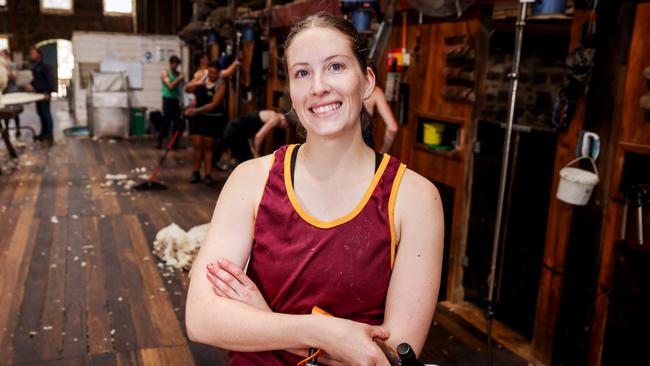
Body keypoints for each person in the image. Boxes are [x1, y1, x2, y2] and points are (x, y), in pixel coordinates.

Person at [185, 13, 444, 366]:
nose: (318, 86)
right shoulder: (251, 180)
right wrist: (325, 334)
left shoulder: (415, 198)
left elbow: (390, 358)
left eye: (335, 67)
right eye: (302, 73)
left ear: (367, 81)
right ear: (292, 90)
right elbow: (201, 317)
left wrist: (268, 322)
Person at [184, 61, 227, 185]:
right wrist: (198, 82)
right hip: (199, 119)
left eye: (215, 73)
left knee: (208, 147)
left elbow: (213, 104)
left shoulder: (221, 84)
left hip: (212, 119)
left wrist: (195, 111)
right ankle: (195, 172)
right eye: (210, 72)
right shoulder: (202, 79)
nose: (212, 75)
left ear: (218, 73)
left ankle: (208, 174)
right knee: (197, 146)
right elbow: (187, 89)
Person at [214, 110, 289, 165]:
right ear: (283, 118)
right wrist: (256, 154)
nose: (284, 127)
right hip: (235, 132)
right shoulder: (276, 118)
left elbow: (249, 133)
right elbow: (259, 136)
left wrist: (252, 149)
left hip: (232, 129)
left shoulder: (271, 115)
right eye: (286, 125)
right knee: (245, 162)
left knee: (243, 160)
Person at [25, 47, 55, 144]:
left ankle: (49, 135)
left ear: (39, 54)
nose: (31, 55)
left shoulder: (45, 66)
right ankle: (43, 134)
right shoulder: (36, 66)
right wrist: (30, 84)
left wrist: (48, 92)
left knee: (46, 114)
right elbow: (37, 80)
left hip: (44, 94)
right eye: (31, 53)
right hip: (38, 94)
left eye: (33, 53)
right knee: (41, 114)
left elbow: (50, 82)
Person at [363, 85, 399, 154]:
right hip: (367, 155)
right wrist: (383, 153)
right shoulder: (374, 91)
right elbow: (393, 128)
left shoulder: (341, 89)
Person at [159, 55, 185, 149]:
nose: (175, 66)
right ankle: (160, 140)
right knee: (166, 120)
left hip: (175, 99)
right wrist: (178, 79)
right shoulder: (165, 73)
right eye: (174, 64)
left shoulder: (178, 74)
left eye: (177, 64)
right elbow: (170, 86)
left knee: (178, 122)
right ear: (170, 64)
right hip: (167, 99)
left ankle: (174, 142)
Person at [0, 49, 21, 139]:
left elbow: (15, 75)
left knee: (15, 111)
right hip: (4, 91)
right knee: (5, 112)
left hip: (12, 90)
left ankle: (18, 129)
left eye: (3, 55)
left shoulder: (12, 65)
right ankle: (6, 129)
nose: (1, 56)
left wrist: (6, 72)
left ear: (7, 56)